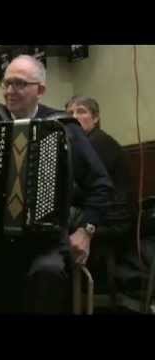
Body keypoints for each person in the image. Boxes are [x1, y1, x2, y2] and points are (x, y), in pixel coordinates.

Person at [0, 55, 113, 313]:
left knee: (47, 275)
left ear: (41, 90)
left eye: (19, 84)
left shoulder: (65, 127)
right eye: (6, 84)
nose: (9, 91)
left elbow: (100, 184)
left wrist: (86, 230)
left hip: (45, 241)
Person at [65, 96, 133, 291]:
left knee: (53, 221)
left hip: (114, 216)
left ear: (95, 118)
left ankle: (68, 290)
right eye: (70, 114)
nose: (75, 117)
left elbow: (86, 191)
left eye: (81, 111)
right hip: (105, 212)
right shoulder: (87, 143)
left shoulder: (99, 142)